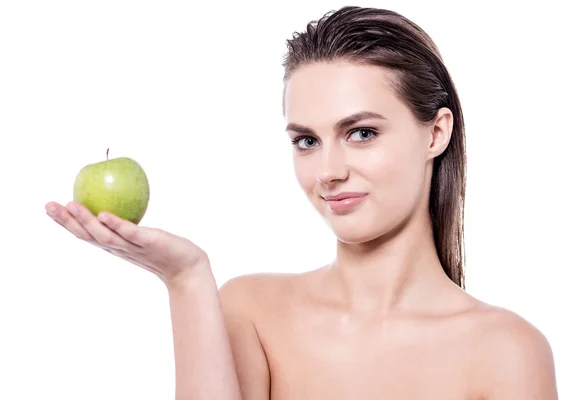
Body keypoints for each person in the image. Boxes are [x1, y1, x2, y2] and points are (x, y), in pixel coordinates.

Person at [44, 6, 558, 400]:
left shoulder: (508, 351)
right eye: (306, 141)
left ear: (435, 134)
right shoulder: (251, 311)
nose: (329, 172)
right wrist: (186, 280)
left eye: (360, 132)